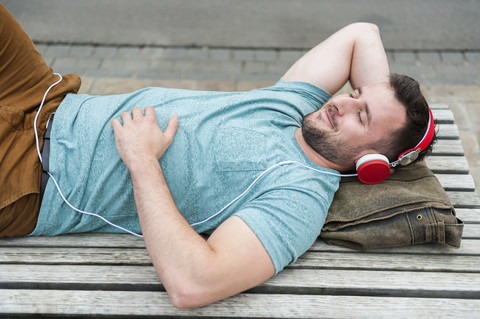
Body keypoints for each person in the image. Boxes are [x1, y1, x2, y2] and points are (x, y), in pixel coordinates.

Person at [0, 3, 435, 308]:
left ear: (372, 164)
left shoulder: (298, 197)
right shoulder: (291, 109)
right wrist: (377, 106)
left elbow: (193, 284)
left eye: (361, 116)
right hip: (45, 97)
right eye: (354, 93)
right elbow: (362, 33)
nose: (340, 102)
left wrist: (143, 161)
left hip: (32, 174)